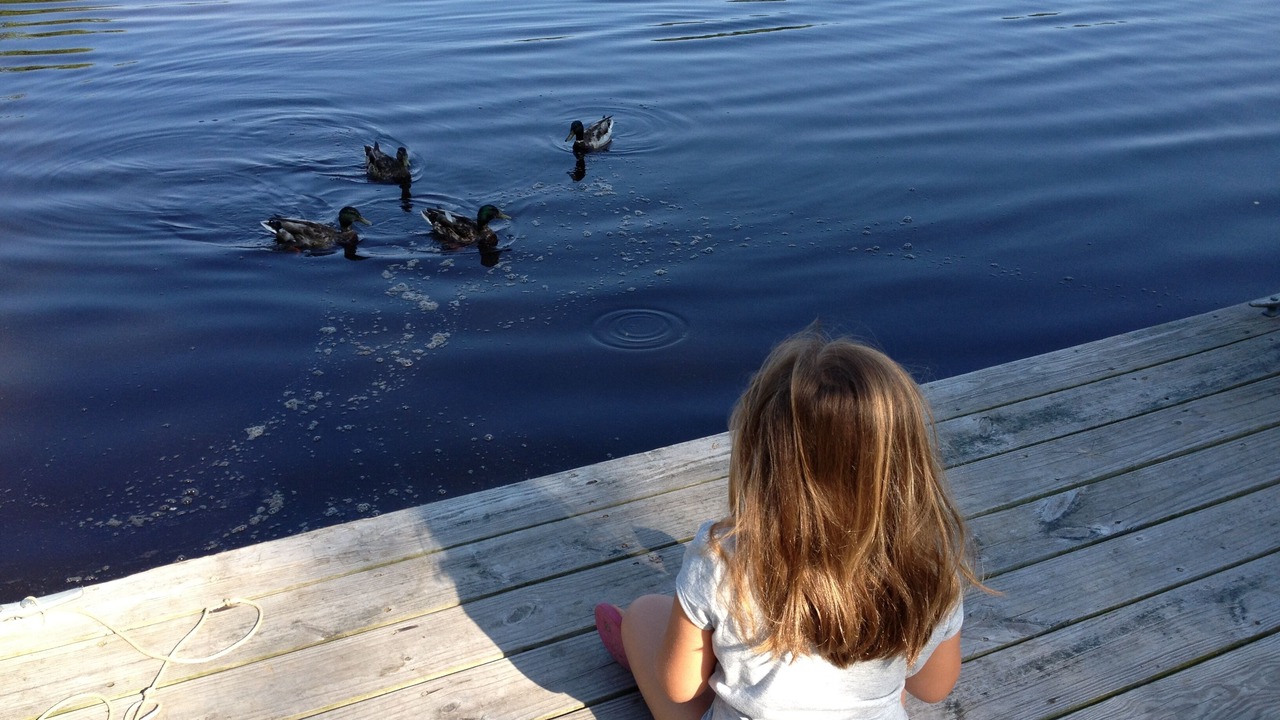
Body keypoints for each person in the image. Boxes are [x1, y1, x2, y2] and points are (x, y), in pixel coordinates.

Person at [593, 329, 986, 720]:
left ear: (759, 457)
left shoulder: (720, 557)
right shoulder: (928, 569)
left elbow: (679, 687)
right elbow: (933, 688)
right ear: (907, 464)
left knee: (645, 614)